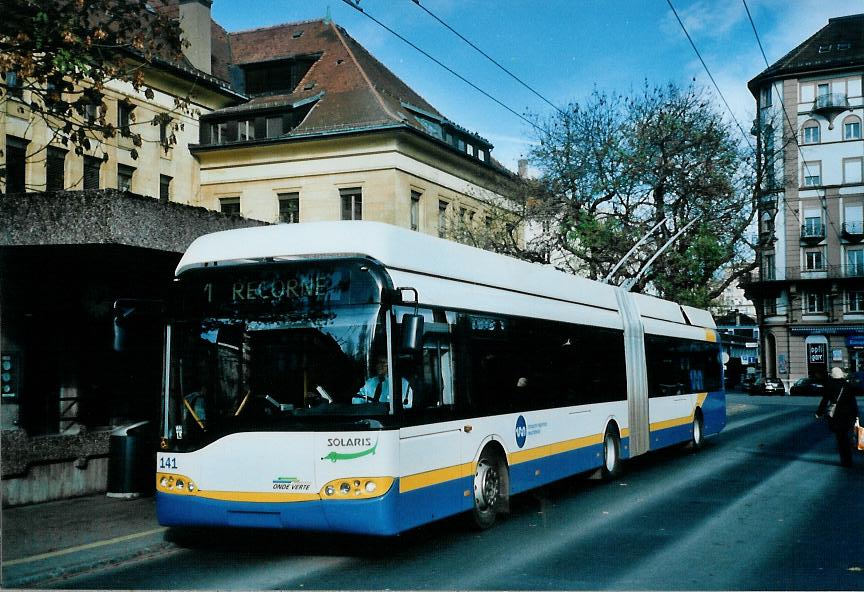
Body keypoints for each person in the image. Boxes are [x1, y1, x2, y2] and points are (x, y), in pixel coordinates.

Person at [816, 367, 860, 467]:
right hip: (848, 415)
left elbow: (825, 401)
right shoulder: (847, 386)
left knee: (840, 438)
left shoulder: (829, 385)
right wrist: (856, 415)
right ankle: (848, 459)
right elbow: (853, 402)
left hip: (836, 415)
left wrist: (819, 412)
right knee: (847, 437)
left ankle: (844, 460)